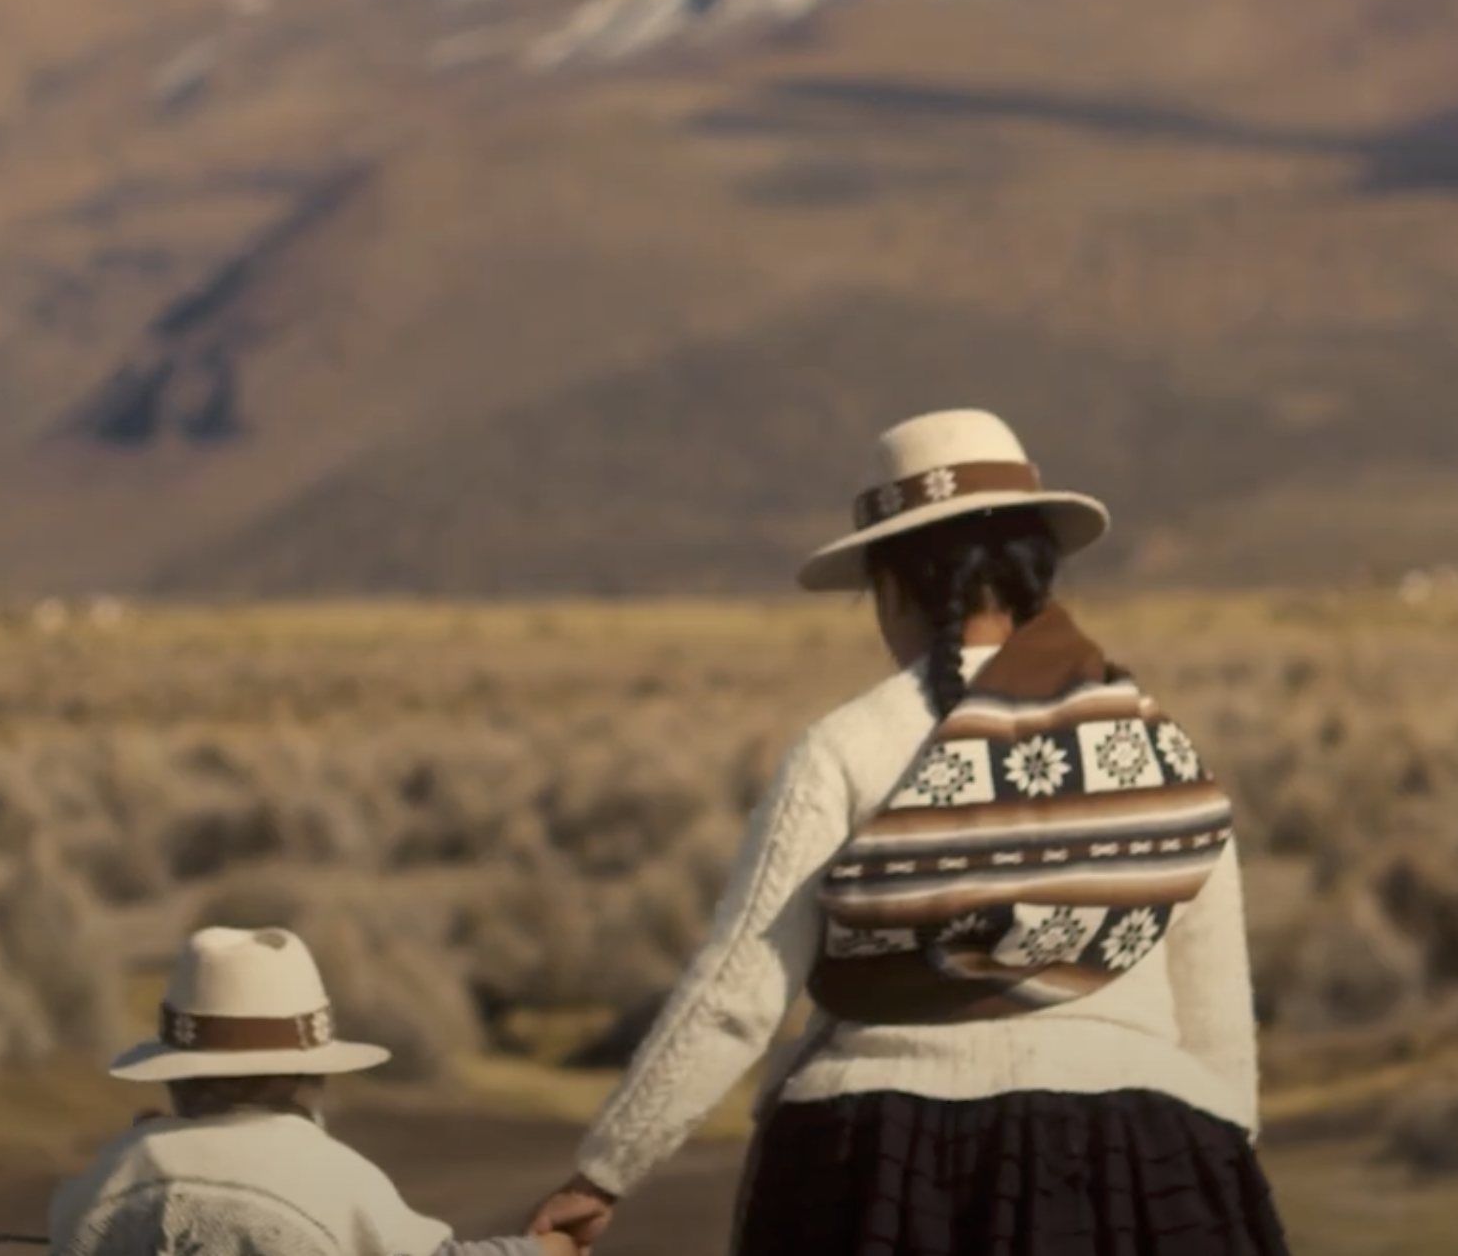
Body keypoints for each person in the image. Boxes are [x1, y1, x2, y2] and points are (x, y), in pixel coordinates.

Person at [529, 408, 1291, 1254]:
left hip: (885, 1169)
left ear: (893, 584)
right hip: (1133, 1160)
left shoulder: (844, 748)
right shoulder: (1160, 748)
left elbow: (737, 996)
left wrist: (604, 1172)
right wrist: (1208, 1176)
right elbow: (1217, 1015)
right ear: (1038, 571)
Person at [50, 925, 580, 1256]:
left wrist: (144, 1150)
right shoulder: (338, 1178)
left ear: (174, 1075)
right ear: (311, 1078)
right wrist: (545, 1251)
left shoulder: (113, 1172)